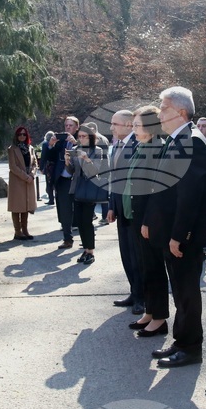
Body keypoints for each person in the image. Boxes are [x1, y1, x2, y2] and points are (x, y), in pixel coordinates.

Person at [142, 86, 206, 369]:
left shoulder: (192, 141)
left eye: (164, 107)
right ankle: (181, 340)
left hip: (184, 236)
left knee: (186, 291)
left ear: (181, 112)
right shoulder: (177, 139)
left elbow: (189, 197)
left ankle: (191, 347)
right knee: (180, 290)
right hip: (172, 233)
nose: (159, 112)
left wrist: (178, 236)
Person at [127, 106, 170, 336]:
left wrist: (147, 221)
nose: (133, 129)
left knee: (154, 268)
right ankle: (150, 312)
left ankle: (160, 318)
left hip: (148, 219)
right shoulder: (142, 147)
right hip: (137, 216)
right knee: (144, 266)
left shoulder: (156, 149)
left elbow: (155, 191)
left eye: (137, 125)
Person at [107, 110, 144, 314]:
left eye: (115, 124)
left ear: (129, 124)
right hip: (121, 209)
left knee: (137, 256)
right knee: (126, 254)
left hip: (135, 211)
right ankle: (133, 291)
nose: (111, 127)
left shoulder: (138, 144)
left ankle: (142, 298)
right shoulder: (117, 145)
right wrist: (112, 206)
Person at [66, 122, 107, 264]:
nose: (81, 138)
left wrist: (86, 159)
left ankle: (90, 251)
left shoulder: (97, 151)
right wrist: (67, 162)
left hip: (90, 188)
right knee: (79, 222)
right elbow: (72, 171)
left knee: (87, 221)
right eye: (80, 136)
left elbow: (95, 171)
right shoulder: (75, 149)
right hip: (77, 188)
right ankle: (85, 249)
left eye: (84, 136)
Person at [46, 116, 80, 249]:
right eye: (66, 125)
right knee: (65, 211)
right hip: (63, 180)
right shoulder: (60, 141)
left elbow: (89, 153)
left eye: (71, 126)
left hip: (78, 180)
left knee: (81, 211)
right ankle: (67, 239)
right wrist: (51, 144)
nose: (68, 128)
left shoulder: (82, 138)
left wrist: (76, 143)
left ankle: (87, 241)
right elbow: (49, 157)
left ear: (77, 127)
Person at [7, 126, 38, 241]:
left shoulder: (30, 148)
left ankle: (25, 230)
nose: (22, 136)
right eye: (20, 134)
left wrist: (32, 174)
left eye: (24, 134)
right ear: (16, 136)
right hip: (17, 181)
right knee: (17, 207)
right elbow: (13, 167)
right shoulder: (12, 149)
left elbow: (35, 163)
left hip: (28, 180)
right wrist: (26, 177)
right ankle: (17, 231)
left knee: (26, 206)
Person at [39, 131, 56, 204]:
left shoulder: (45, 144)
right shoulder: (56, 144)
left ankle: (51, 199)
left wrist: (41, 167)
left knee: (49, 182)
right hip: (55, 165)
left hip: (48, 165)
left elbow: (43, 156)